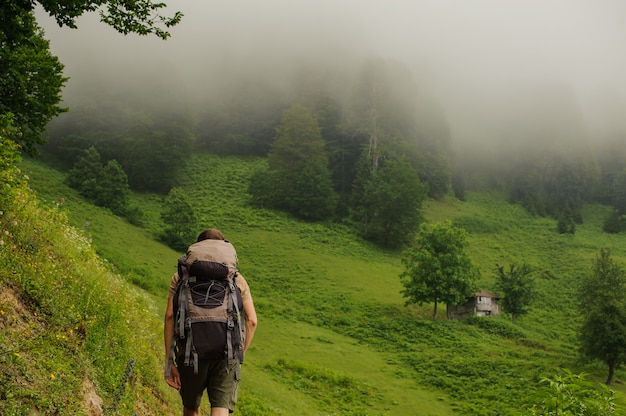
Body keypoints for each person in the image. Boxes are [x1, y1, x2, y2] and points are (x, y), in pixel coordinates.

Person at [164, 228, 258, 416]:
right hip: (227, 353)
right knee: (221, 409)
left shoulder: (180, 277)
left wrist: (169, 362)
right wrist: (239, 355)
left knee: (191, 408)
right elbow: (252, 320)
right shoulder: (237, 279)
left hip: (191, 352)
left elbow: (169, 317)